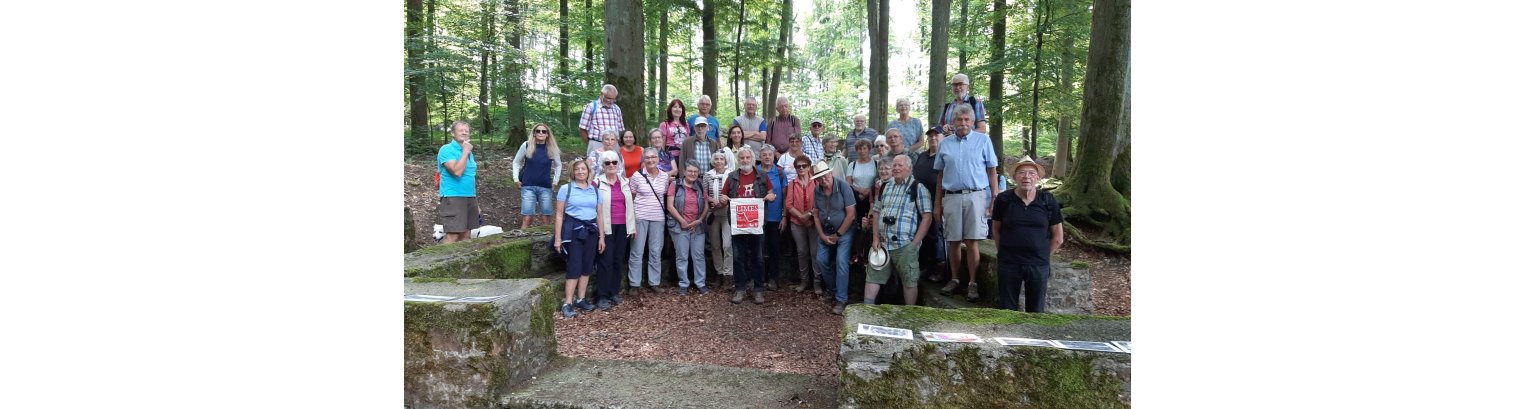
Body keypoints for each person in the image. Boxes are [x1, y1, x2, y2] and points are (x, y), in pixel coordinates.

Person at [933, 104, 999, 302]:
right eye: (959, 120)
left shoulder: (983, 140)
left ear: (972, 121)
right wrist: (937, 203)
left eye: (966, 120)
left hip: (976, 196)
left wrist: (994, 198)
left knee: (972, 241)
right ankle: (954, 279)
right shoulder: (945, 144)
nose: (962, 123)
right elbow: (940, 174)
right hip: (951, 196)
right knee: (953, 240)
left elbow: (992, 171)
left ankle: (972, 283)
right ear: (953, 122)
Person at [990, 157, 1062, 312]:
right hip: (1009, 263)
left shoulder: (1048, 201)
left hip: (1038, 265)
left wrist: (1042, 255)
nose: (1026, 177)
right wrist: (1003, 252)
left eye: (1031, 173)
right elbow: (996, 229)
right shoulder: (1003, 200)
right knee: (1007, 310)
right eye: (1021, 172)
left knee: (1036, 312)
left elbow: (1058, 237)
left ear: (1037, 178)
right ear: (1015, 177)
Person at [865, 155, 931, 306]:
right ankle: (866, 310)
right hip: (882, 244)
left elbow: (927, 217)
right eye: (894, 165)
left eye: (899, 165)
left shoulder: (918, 188)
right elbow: (876, 213)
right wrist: (875, 238)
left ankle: (910, 313)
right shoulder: (885, 187)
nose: (895, 168)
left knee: (909, 280)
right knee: (872, 277)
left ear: (909, 168)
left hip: (905, 245)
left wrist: (914, 244)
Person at [553, 160, 607, 318]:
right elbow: (559, 215)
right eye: (577, 169)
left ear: (588, 171)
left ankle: (581, 299)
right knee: (574, 266)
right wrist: (558, 238)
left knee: (587, 265)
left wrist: (602, 237)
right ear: (572, 172)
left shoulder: (595, 190)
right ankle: (567, 303)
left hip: (591, 232)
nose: (581, 172)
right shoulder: (566, 189)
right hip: (573, 232)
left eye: (583, 169)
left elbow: (599, 215)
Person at [724, 146, 775, 305]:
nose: (745, 160)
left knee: (758, 256)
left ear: (752, 159)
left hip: (756, 223)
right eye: (742, 158)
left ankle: (758, 289)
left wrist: (771, 196)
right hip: (738, 223)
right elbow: (724, 195)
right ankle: (740, 288)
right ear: (738, 160)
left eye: (747, 157)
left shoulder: (762, 175)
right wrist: (723, 198)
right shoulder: (731, 177)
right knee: (738, 256)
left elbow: (771, 193)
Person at [811, 160, 857, 315]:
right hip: (826, 230)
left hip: (845, 231)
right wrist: (821, 235)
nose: (824, 179)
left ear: (831, 173)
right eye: (820, 177)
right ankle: (834, 289)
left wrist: (838, 235)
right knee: (820, 260)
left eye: (826, 175)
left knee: (841, 261)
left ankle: (841, 299)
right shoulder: (817, 190)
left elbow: (851, 215)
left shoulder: (844, 187)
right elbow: (816, 215)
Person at [594, 151, 635, 310]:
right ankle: (602, 295)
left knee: (618, 260)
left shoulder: (625, 182)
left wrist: (632, 226)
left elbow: (630, 205)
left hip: (623, 226)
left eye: (614, 162)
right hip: (606, 226)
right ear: (602, 166)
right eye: (607, 162)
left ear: (619, 164)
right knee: (605, 261)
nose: (611, 165)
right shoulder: (597, 183)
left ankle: (613, 292)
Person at [627, 148, 670, 294]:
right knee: (637, 251)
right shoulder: (637, 176)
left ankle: (654, 282)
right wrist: (632, 220)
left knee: (655, 250)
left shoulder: (664, 177)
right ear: (643, 160)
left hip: (658, 218)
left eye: (653, 157)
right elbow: (631, 198)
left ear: (658, 159)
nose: (650, 160)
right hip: (640, 217)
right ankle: (634, 284)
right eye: (647, 158)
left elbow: (664, 196)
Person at [667, 164, 711, 294]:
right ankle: (683, 284)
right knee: (682, 256)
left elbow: (706, 206)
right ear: (684, 172)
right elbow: (670, 206)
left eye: (695, 171)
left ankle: (700, 283)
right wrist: (682, 221)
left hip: (697, 226)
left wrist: (699, 220)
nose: (693, 174)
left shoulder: (700, 186)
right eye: (690, 171)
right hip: (679, 226)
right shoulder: (675, 185)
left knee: (699, 256)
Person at [912, 126, 948, 283]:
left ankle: (940, 268)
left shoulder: (945, 156)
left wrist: (940, 202)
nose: (933, 138)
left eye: (936, 135)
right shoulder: (922, 156)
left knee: (937, 235)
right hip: (920, 202)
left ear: (943, 137)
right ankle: (927, 266)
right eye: (930, 136)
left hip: (937, 201)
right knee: (924, 235)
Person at [511, 122, 562, 231]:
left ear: (547, 134)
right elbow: (516, 161)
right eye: (538, 131)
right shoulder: (526, 145)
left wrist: (555, 181)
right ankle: (522, 237)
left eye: (544, 131)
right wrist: (515, 179)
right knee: (527, 218)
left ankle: (546, 239)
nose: (541, 133)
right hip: (528, 186)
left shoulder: (551, 148)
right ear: (534, 133)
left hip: (545, 187)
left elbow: (558, 165)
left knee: (546, 218)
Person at [783, 154, 821, 294]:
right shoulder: (792, 184)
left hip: (814, 222)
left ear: (809, 167)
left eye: (804, 166)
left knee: (815, 252)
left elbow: (820, 202)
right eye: (798, 166)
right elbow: (788, 204)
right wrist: (801, 216)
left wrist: (809, 215)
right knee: (802, 252)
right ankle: (804, 281)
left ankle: (817, 282)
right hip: (797, 222)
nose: (801, 168)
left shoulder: (816, 182)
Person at [437, 120, 478, 244]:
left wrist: (474, 200)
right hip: (453, 195)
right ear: (453, 133)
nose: (464, 133)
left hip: (469, 196)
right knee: (453, 235)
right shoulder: (446, 149)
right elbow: (457, 172)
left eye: (467, 131)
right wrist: (465, 151)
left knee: (466, 234)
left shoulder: (468, 152)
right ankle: (441, 256)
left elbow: (469, 176)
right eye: (461, 130)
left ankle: (463, 258)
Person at [758, 146, 788, 291]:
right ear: (760, 157)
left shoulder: (780, 173)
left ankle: (773, 278)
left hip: (775, 217)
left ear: (773, 156)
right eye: (764, 155)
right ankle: (759, 278)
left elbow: (785, 197)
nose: (767, 157)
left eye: (770, 154)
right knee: (758, 248)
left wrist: (784, 216)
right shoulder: (754, 171)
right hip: (757, 217)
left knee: (774, 248)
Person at [704, 151, 735, 287]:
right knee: (715, 245)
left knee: (727, 245)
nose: (718, 161)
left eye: (721, 159)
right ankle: (719, 273)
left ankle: (728, 274)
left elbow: (733, 192)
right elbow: (704, 193)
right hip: (712, 213)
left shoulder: (731, 175)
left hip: (727, 213)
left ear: (725, 161)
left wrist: (723, 202)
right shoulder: (707, 175)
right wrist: (712, 200)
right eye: (716, 159)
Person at [579, 84, 625, 156]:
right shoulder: (591, 107)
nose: (611, 101)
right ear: (601, 94)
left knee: (615, 163)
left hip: (614, 145)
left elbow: (620, 130)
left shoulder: (616, 108)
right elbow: (582, 129)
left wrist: (619, 145)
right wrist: (590, 143)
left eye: (613, 99)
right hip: (596, 143)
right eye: (609, 98)